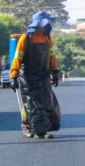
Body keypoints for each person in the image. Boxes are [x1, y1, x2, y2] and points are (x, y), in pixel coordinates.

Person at [10, 11, 61, 139]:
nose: (48, 26)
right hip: (27, 77)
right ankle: (27, 128)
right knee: (29, 103)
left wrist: (54, 71)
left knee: (45, 103)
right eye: (46, 23)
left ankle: (42, 130)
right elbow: (18, 58)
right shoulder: (26, 38)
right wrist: (14, 75)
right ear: (39, 25)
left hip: (43, 76)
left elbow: (52, 56)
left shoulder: (47, 38)